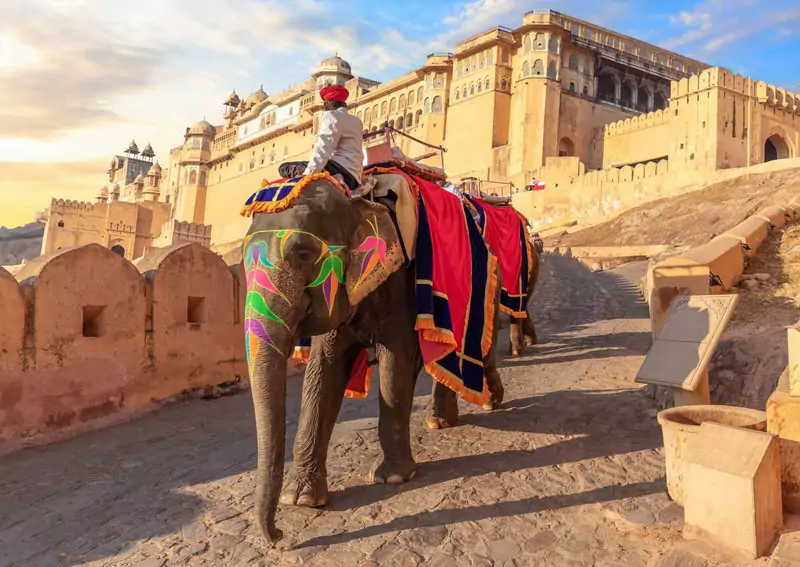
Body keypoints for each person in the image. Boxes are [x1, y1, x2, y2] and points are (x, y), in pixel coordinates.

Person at [302, 85, 364, 191]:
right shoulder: (356, 121)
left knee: (285, 168)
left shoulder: (331, 115)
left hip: (339, 169)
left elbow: (324, 147)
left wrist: (308, 175)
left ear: (328, 103)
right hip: (354, 177)